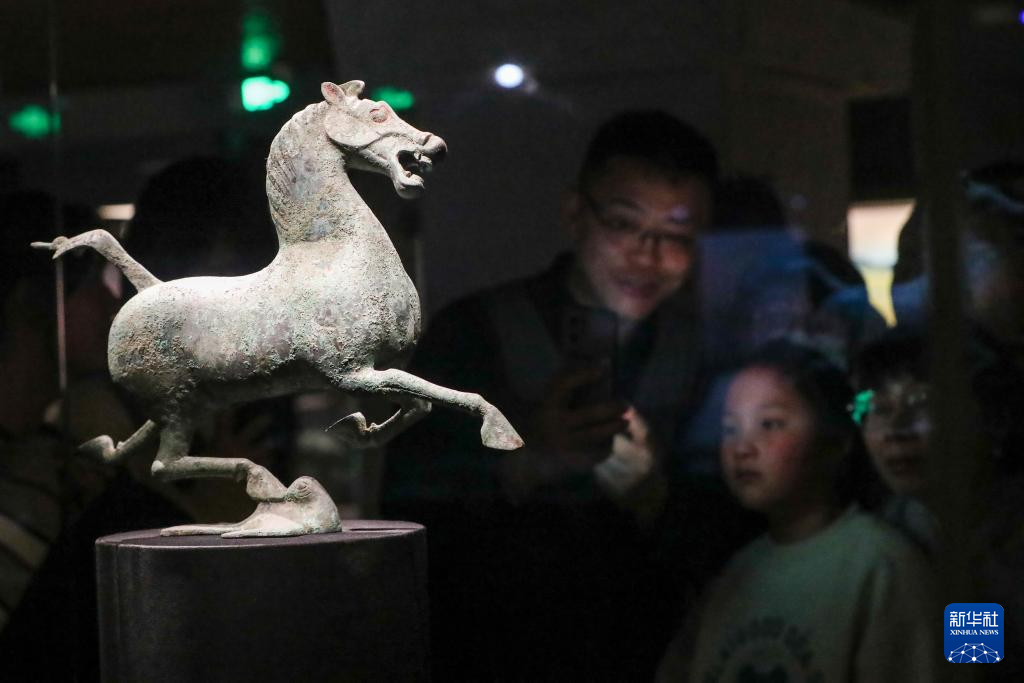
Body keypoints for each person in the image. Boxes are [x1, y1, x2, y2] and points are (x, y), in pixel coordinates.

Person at [382, 110, 741, 681]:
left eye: (677, 236)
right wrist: (526, 464)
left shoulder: (708, 357)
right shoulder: (474, 335)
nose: (647, 256)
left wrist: (653, 498)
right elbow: (405, 519)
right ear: (575, 213)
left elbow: (740, 546)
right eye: (623, 224)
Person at [657, 341, 937, 682]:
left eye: (770, 424)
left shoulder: (883, 564)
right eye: (730, 428)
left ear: (836, 440)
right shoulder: (734, 574)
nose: (742, 447)